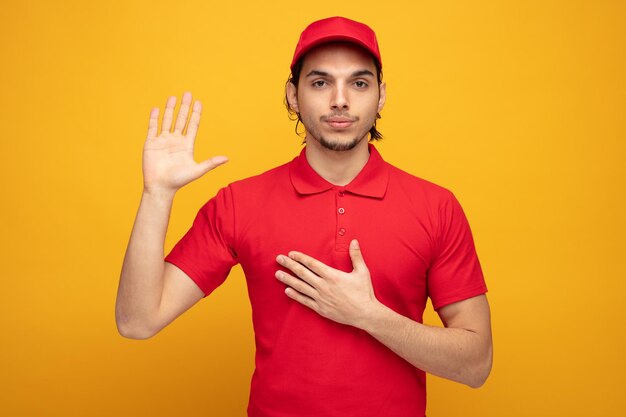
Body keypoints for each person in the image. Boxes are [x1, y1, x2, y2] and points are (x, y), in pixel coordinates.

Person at [116, 16, 492, 417]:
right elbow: (138, 321)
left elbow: (476, 364)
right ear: (293, 95)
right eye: (320, 82)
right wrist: (157, 195)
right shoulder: (240, 203)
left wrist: (369, 316)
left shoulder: (435, 206)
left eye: (359, 83)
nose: (340, 100)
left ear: (381, 96)